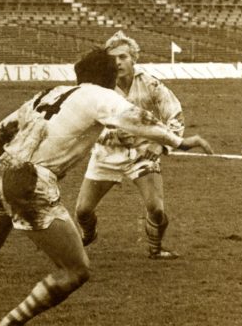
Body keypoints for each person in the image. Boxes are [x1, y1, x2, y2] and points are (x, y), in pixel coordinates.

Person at [0, 48, 214, 326]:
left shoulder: (50, 93)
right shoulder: (101, 95)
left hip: (1, 171)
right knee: (75, 270)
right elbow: (138, 119)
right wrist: (179, 141)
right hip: (29, 181)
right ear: (106, 78)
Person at [75, 31, 185, 259]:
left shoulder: (151, 84)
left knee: (156, 209)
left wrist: (161, 147)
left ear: (134, 58)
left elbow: (175, 115)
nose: (118, 62)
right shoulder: (100, 86)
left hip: (141, 153)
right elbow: (83, 119)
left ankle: (155, 249)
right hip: (106, 154)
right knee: (83, 210)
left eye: (123, 56)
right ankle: (89, 233)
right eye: (113, 57)